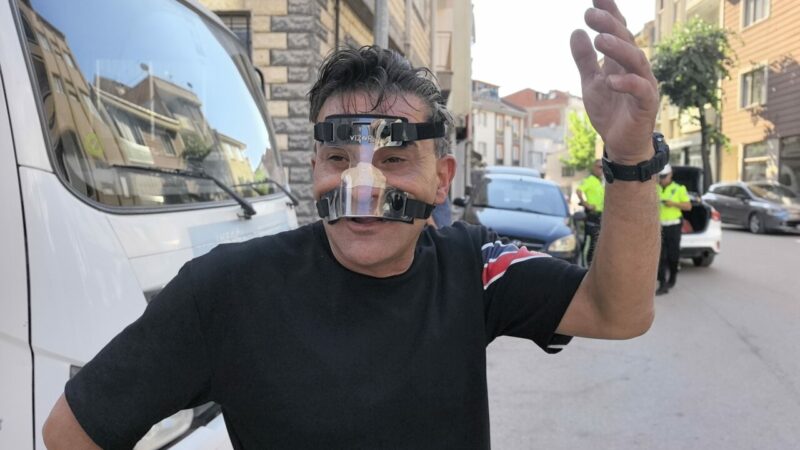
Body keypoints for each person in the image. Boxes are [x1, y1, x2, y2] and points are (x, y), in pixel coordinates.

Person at [43, 1, 663, 448]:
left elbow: (620, 312)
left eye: (394, 160)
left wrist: (630, 154)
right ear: (314, 165)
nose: (362, 189)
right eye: (339, 158)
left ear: (442, 179)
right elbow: (71, 432)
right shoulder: (226, 291)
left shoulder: (475, 270)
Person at [656, 164, 691, 295]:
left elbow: (688, 206)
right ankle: (662, 284)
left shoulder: (679, 189)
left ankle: (672, 278)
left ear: (670, 175)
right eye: (660, 177)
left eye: (664, 176)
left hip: (674, 227)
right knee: (660, 257)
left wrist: (673, 204)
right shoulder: (655, 189)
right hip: (659, 227)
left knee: (673, 256)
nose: (662, 179)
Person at [576, 158, 605, 265]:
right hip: (591, 215)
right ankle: (584, 266)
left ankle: (592, 265)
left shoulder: (601, 182)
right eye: (600, 167)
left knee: (596, 243)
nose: (602, 170)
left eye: (603, 168)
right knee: (589, 242)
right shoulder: (590, 180)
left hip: (600, 216)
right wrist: (586, 204)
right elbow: (579, 190)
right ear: (594, 168)